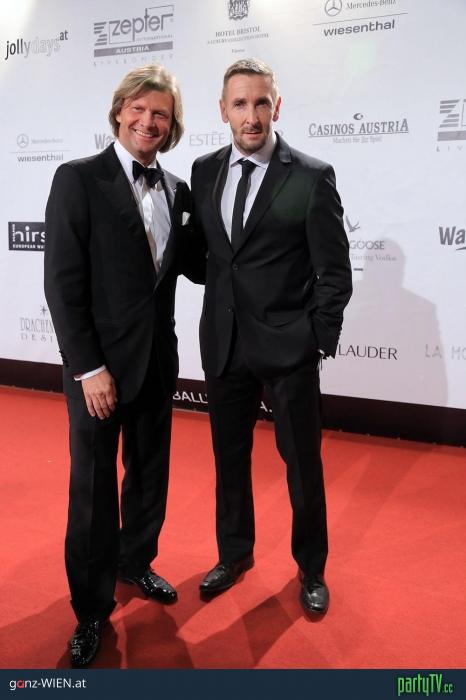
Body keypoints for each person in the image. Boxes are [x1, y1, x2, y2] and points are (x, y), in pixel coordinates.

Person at [44, 64, 195, 667]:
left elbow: (200, 265)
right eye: (139, 109)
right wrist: (88, 368)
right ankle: (89, 609)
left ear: (172, 125)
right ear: (118, 112)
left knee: (149, 475)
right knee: (93, 490)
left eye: (160, 113)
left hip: (157, 363)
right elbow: (63, 284)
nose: (148, 121)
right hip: (98, 372)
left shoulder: (179, 191)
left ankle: (137, 560)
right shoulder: (78, 179)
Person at [191, 59, 352, 615]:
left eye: (261, 102)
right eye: (240, 104)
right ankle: (234, 554)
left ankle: (312, 567)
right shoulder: (204, 171)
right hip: (225, 344)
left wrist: (316, 338)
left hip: (289, 350)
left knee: (302, 465)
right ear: (223, 111)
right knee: (229, 459)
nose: (252, 116)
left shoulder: (310, 176)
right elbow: (212, 257)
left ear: (276, 106)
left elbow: (335, 271)